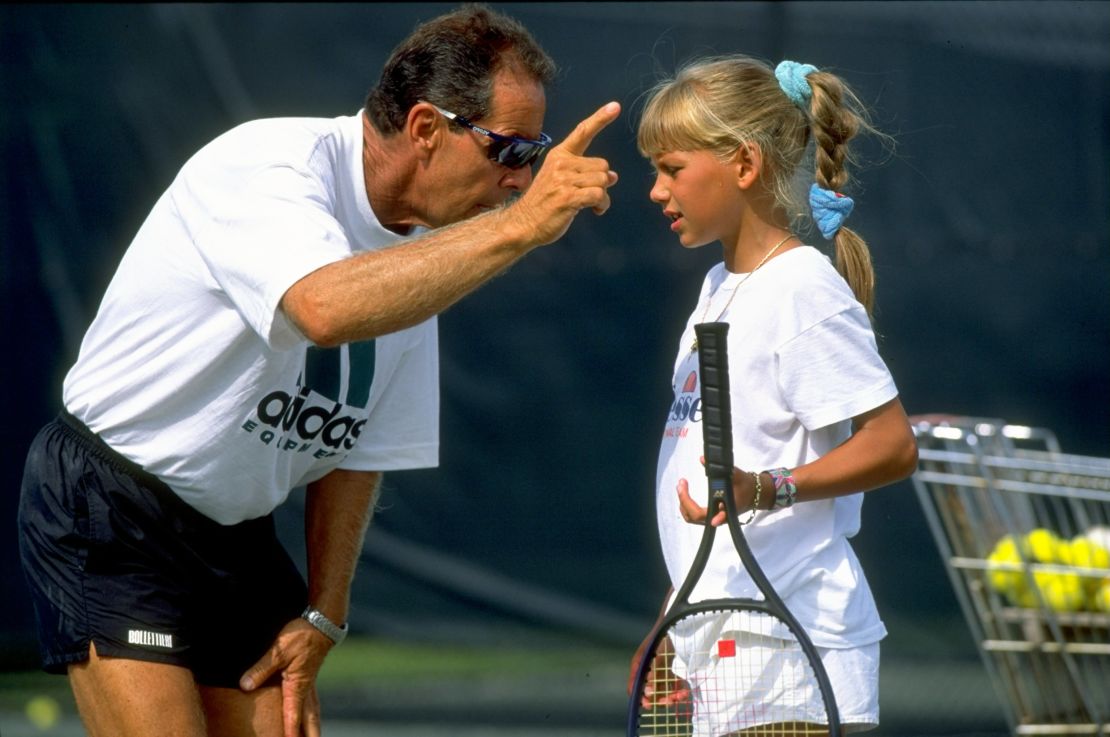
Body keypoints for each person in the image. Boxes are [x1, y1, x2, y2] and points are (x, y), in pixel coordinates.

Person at [17, 5, 620, 737]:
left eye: (534, 156)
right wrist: (520, 231)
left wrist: (324, 614)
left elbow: (355, 450)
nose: (519, 181)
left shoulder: (421, 254)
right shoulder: (266, 165)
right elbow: (322, 306)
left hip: (233, 535)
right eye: (511, 151)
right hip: (110, 506)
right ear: (427, 127)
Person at [627, 55, 918, 734]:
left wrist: (769, 488)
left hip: (793, 652)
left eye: (671, 169)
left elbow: (892, 444)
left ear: (745, 165)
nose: (656, 190)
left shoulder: (802, 288)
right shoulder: (716, 291)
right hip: (725, 649)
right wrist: (674, 617)